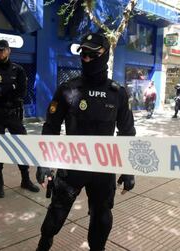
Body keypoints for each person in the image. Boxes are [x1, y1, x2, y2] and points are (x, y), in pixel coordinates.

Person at [36, 32, 136, 251]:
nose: (87, 59)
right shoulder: (68, 90)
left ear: (105, 55)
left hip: (104, 169)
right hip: (72, 167)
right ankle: (44, 244)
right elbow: (51, 127)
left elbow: (127, 132)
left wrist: (128, 169)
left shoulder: (118, 93)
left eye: (92, 54)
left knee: (101, 220)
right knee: (55, 217)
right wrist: (44, 162)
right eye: (83, 54)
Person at [0, 40, 39, 198]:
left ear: (9, 51)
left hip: (13, 114)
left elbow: (21, 92)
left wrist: (1, 90)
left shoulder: (18, 70)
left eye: (2, 50)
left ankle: (25, 179)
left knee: (21, 146)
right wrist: (8, 89)